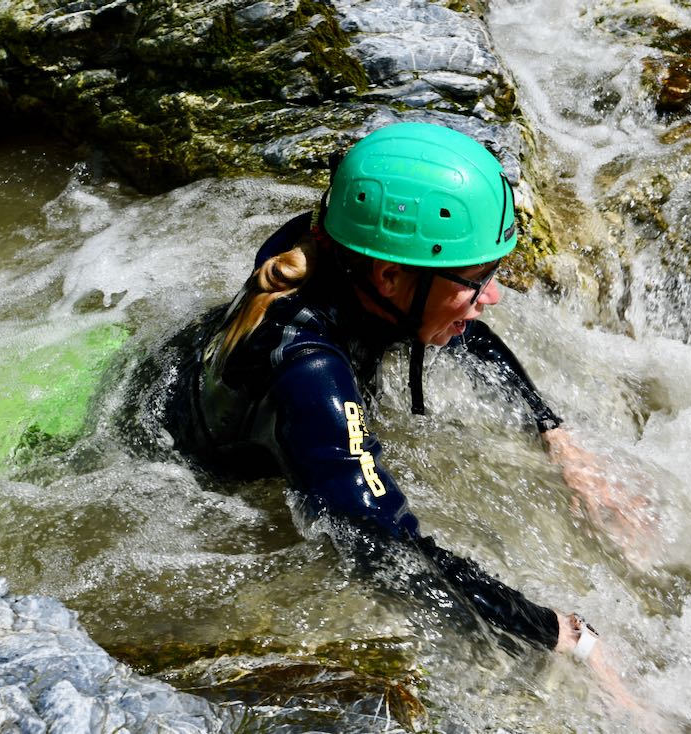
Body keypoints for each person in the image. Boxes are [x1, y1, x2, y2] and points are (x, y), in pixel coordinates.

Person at [161, 121, 650, 707]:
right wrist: (562, 635)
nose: (491, 297)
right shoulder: (310, 376)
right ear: (390, 276)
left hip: (185, 367)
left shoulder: (333, 252)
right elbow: (384, 548)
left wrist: (557, 438)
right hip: (173, 454)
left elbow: (458, 329)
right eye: (476, 281)